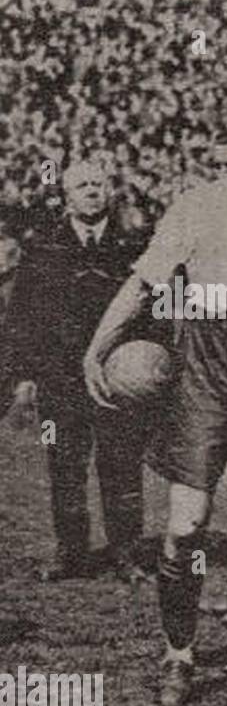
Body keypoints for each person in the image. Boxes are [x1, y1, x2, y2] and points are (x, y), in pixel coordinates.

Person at [83, 105, 227, 706]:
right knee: (185, 527)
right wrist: (97, 348)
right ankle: (178, 654)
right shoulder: (200, 205)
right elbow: (145, 282)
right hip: (202, 368)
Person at [6, 155, 144, 582]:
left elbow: (152, 310)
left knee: (121, 466)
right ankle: (71, 554)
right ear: (66, 196)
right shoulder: (43, 245)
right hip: (59, 380)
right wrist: (24, 374)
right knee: (64, 466)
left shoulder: (132, 244)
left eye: (98, 184)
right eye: (82, 186)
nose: (92, 192)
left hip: (114, 376)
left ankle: (127, 555)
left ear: (110, 191)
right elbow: (22, 316)